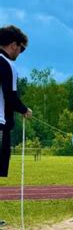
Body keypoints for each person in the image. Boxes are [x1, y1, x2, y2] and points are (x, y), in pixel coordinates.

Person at [1, 25, 33, 179]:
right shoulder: (7, 65)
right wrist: (24, 109)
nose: (20, 53)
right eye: (22, 48)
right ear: (14, 45)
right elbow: (10, 96)